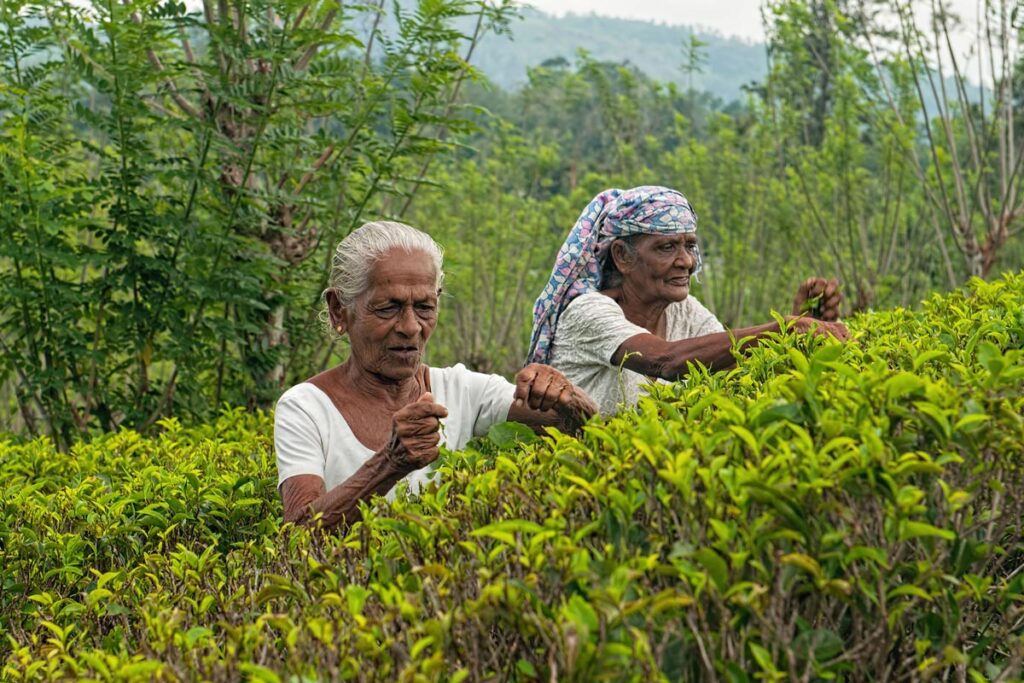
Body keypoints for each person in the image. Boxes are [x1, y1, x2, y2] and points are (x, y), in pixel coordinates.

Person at [275, 221, 597, 530]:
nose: (411, 327)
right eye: (388, 308)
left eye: (425, 307)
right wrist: (389, 463)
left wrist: (566, 395)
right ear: (338, 310)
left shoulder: (462, 391)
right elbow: (299, 532)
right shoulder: (306, 407)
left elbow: (583, 428)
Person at [527, 186, 849, 416]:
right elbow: (665, 361)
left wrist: (803, 325)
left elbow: (734, 367)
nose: (686, 262)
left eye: (689, 246)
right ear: (622, 256)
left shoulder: (683, 310)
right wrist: (785, 329)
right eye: (666, 248)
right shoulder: (588, 311)